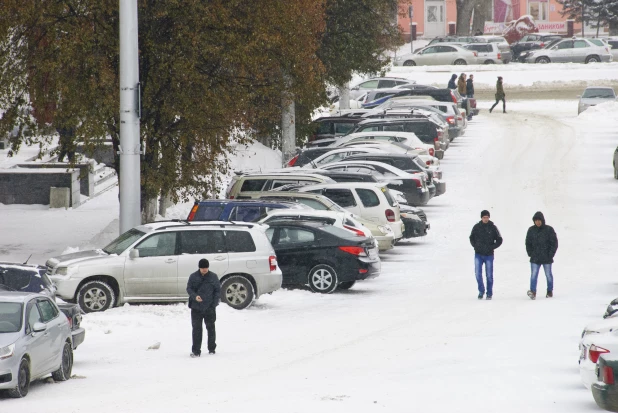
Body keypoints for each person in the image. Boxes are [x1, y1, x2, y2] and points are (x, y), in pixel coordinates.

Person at [186, 258, 221, 357]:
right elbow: (189, 288)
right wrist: (195, 296)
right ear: (199, 268)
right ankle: (196, 351)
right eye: (202, 268)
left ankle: (212, 349)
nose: (204, 270)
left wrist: (214, 304)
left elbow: (218, 291)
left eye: (206, 268)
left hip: (209, 307)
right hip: (196, 307)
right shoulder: (193, 277)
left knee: (210, 328)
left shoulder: (213, 277)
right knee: (196, 329)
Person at [469, 210, 503, 300]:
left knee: (489, 275)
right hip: (478, 254)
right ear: (481, 218)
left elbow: (499, 239)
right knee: (478, 274)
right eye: (484, 217)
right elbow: (471, 237)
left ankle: (489, 293)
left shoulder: (493, 227)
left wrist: (492, 247)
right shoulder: (476, 227)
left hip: (489, 255)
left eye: (487, 217)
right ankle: (481, 291)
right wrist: (475, 246)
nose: (486, 219)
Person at [525, 211, 558, 300]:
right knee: (533, 275)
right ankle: (533, 292)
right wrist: (530, 253)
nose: (538, 222)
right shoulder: (531, 230)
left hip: (547, 258)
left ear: (542, 220)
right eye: (536, 220)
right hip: (535, 258)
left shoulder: (549, 229)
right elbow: (528, 243)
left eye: (539, 220)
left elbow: (554, 243)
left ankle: (549, 291)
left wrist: (550, 254)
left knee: (548, 275)